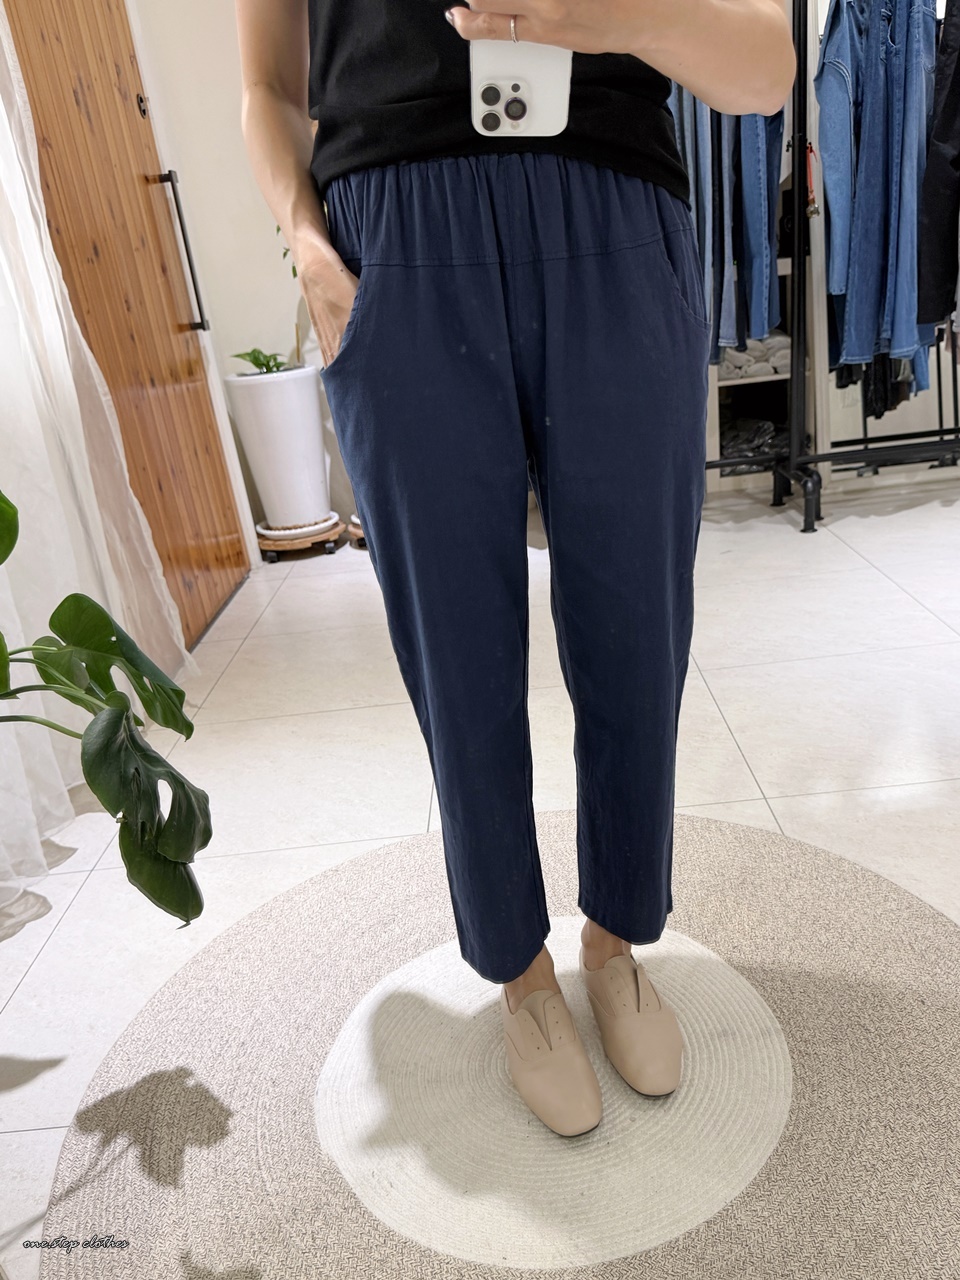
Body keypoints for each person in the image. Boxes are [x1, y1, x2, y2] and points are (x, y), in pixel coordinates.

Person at [234, 0, 795, 1136]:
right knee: (458, 655)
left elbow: (765, 70)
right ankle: (520, 974)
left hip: (615, 213)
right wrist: (307, 246)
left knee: (639, 633)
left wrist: (605, 18)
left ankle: (615, 939)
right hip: (393, 242)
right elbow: (269, 86)